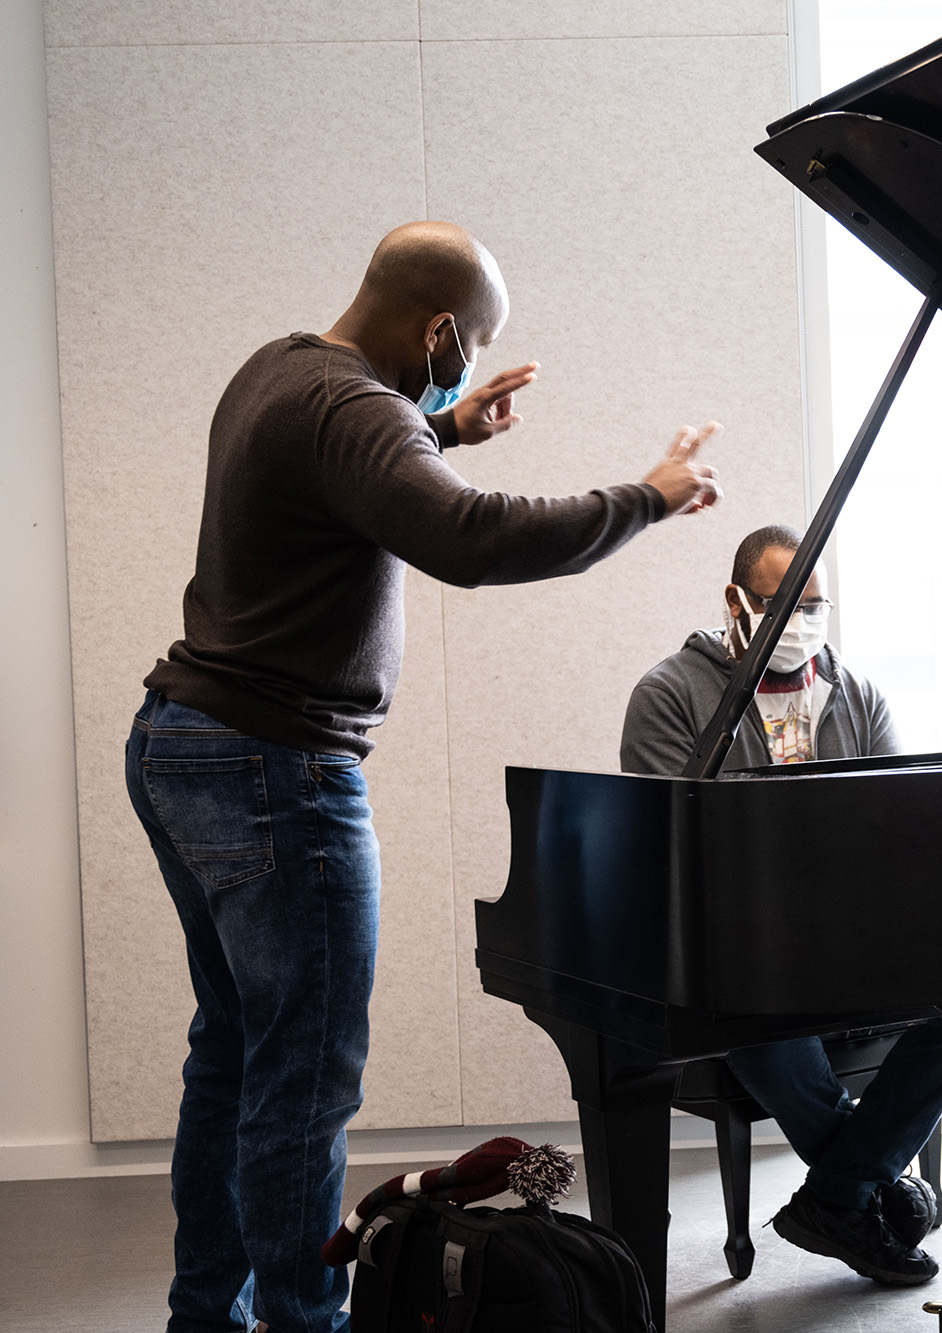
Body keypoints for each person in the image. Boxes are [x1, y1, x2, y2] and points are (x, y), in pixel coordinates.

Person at [128, 221, 723, 1333]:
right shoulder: (355, 408)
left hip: (183, 741)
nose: (464, 360)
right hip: (274, 768)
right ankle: (304, 1321)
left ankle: (206, 1316)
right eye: (468, 345)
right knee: (303, 1079)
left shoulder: (280, 367)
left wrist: (445, 427)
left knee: (234, 1059)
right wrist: (646, 495)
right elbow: (470, 540)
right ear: (439, 328)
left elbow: (362, 477)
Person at [620, 523, 942, 1286]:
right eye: (780, 607)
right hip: (740, 944)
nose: (801, 626)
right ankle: (863, 1187)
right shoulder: (669, 694)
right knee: (750, 993)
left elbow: (899, 830)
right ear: (736, 600)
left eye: (816, 607)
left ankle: (840, 1191)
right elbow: (672, 846)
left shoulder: (857, 694)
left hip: (852, 941)